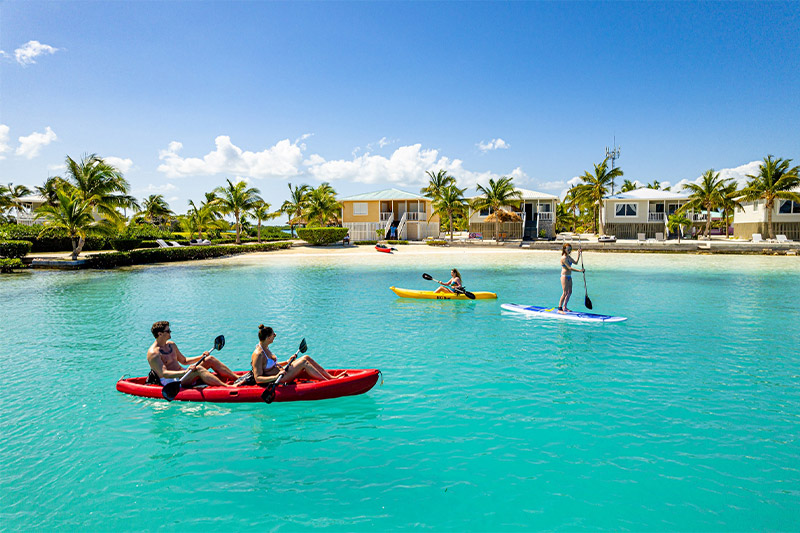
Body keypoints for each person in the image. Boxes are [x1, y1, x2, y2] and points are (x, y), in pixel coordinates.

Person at [237, 325, 339, 386]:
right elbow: (258, 378)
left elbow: (271, 364)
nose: (275, 336)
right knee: (304, 362)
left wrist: (287, 361)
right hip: (280, 378)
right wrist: (276, 376)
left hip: (282, 371)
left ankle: (331, 378)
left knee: (306, 357)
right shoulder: (258, 354)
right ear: (268, 338)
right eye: (274, 334)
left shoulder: (265, 347)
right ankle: (328, 383)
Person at [146, 321, 238, 388]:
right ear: (160, 334)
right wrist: (186, 372)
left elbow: (184, 361)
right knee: (198, 369)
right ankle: (227, 386)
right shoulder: (154, 353)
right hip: (172, 381)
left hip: (183, 374)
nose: (170, 332)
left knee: (210, 359)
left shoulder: (171, 345)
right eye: (168, 331)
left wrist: (201, 357)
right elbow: (164, 374)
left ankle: (238, 378)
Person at [558, 243, 584, 313]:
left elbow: (575, 262)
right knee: (565, 292)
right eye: (568, 249)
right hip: (564, 276)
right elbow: (569, 268)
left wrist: (579, 253)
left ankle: (565, 307)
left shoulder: (569, 257)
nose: (569, 251)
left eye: (570, 249)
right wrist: (580, 271)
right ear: (564, 249)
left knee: (570, 292)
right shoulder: (563, 258)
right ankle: (559, 309)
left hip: (569, 276)